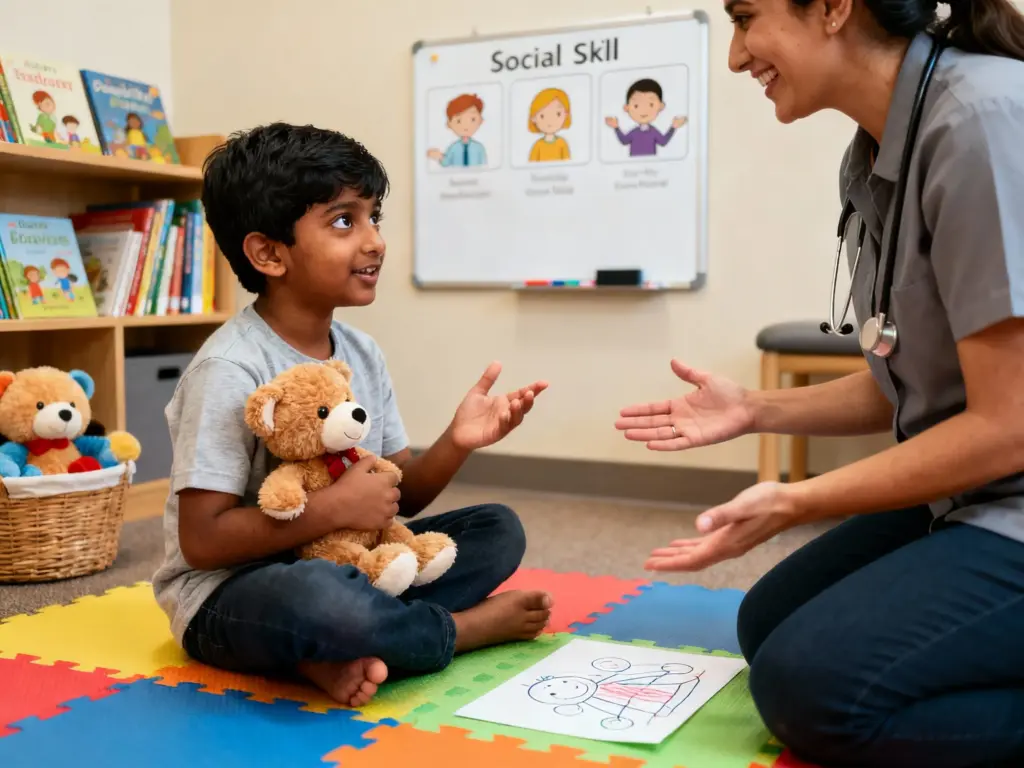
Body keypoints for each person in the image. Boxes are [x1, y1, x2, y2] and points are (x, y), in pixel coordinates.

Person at [616, 0, 1024, 766]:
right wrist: (755, 410)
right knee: (770, 622)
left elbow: (1010, 421)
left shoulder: (985, 120)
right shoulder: (874, 154)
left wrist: (798, 498)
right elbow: (909, 380)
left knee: (812, 690)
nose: (736, 57)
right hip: (981, 490)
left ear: (835, 8)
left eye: (746, 19)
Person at [152, 122, 551, 709]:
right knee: (322, 598)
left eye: (374, 217)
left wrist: (459, 440)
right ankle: (455, 632)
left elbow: (398, 499)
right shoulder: (229, 369)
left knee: (497, 530)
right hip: (231, 593)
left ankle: (327, 653)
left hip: (354, 562)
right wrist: (328, 510)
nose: (375, 241)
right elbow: (202, 542)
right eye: (344, 220)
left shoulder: (362, 353)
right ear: (268, 253)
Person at [426, 93, 488, 167]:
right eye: (458, 121)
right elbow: (446, 162)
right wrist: (439, 156)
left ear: (481, 120)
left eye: (472, 119)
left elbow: (484, 165)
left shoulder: (479, 148)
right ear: (449, 124)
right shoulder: (453, 148)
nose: (466, 125)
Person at [528, 87, 572, 162]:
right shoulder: (538, 145)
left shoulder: (562, 143)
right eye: (542, 116)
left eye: (558, 114)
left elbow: (567, 162)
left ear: (566, 115)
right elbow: (531, 164)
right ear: (534, 118)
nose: (550, 121)